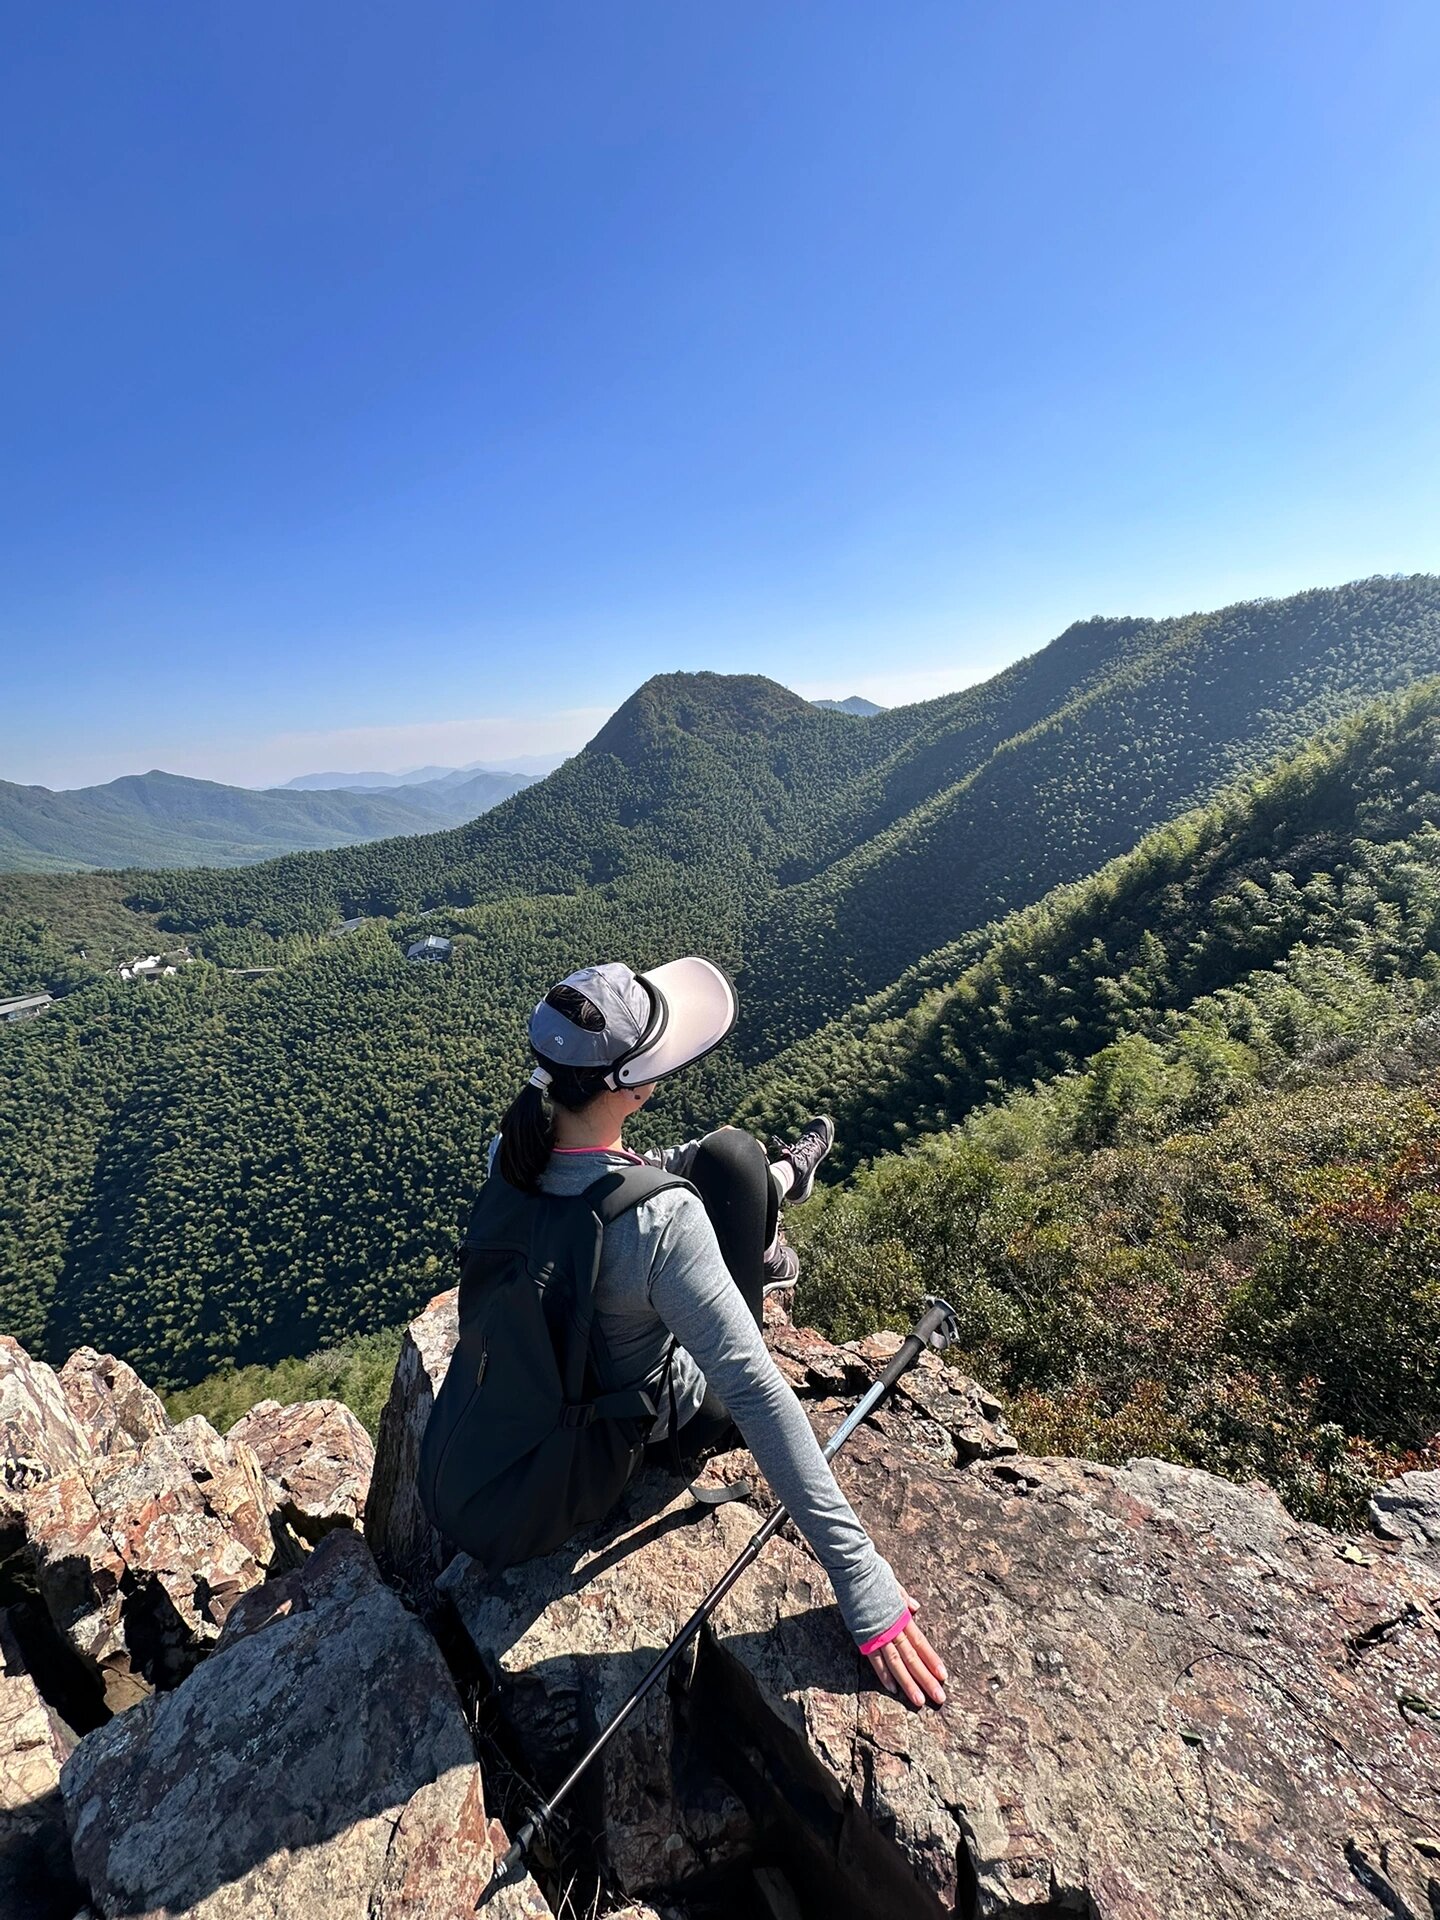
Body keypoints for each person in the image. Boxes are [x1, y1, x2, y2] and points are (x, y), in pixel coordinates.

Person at [487, 955, 946, 1710]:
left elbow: (611, 1172)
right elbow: (759, 1395)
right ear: (635, 1086)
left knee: (726, 1161)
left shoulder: (511, 1153)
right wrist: (861, 1578)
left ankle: (782, 1184)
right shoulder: (663, 1223)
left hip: (543, 1400)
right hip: (644, 1429)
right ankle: (769, 1236)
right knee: (733, 1159)